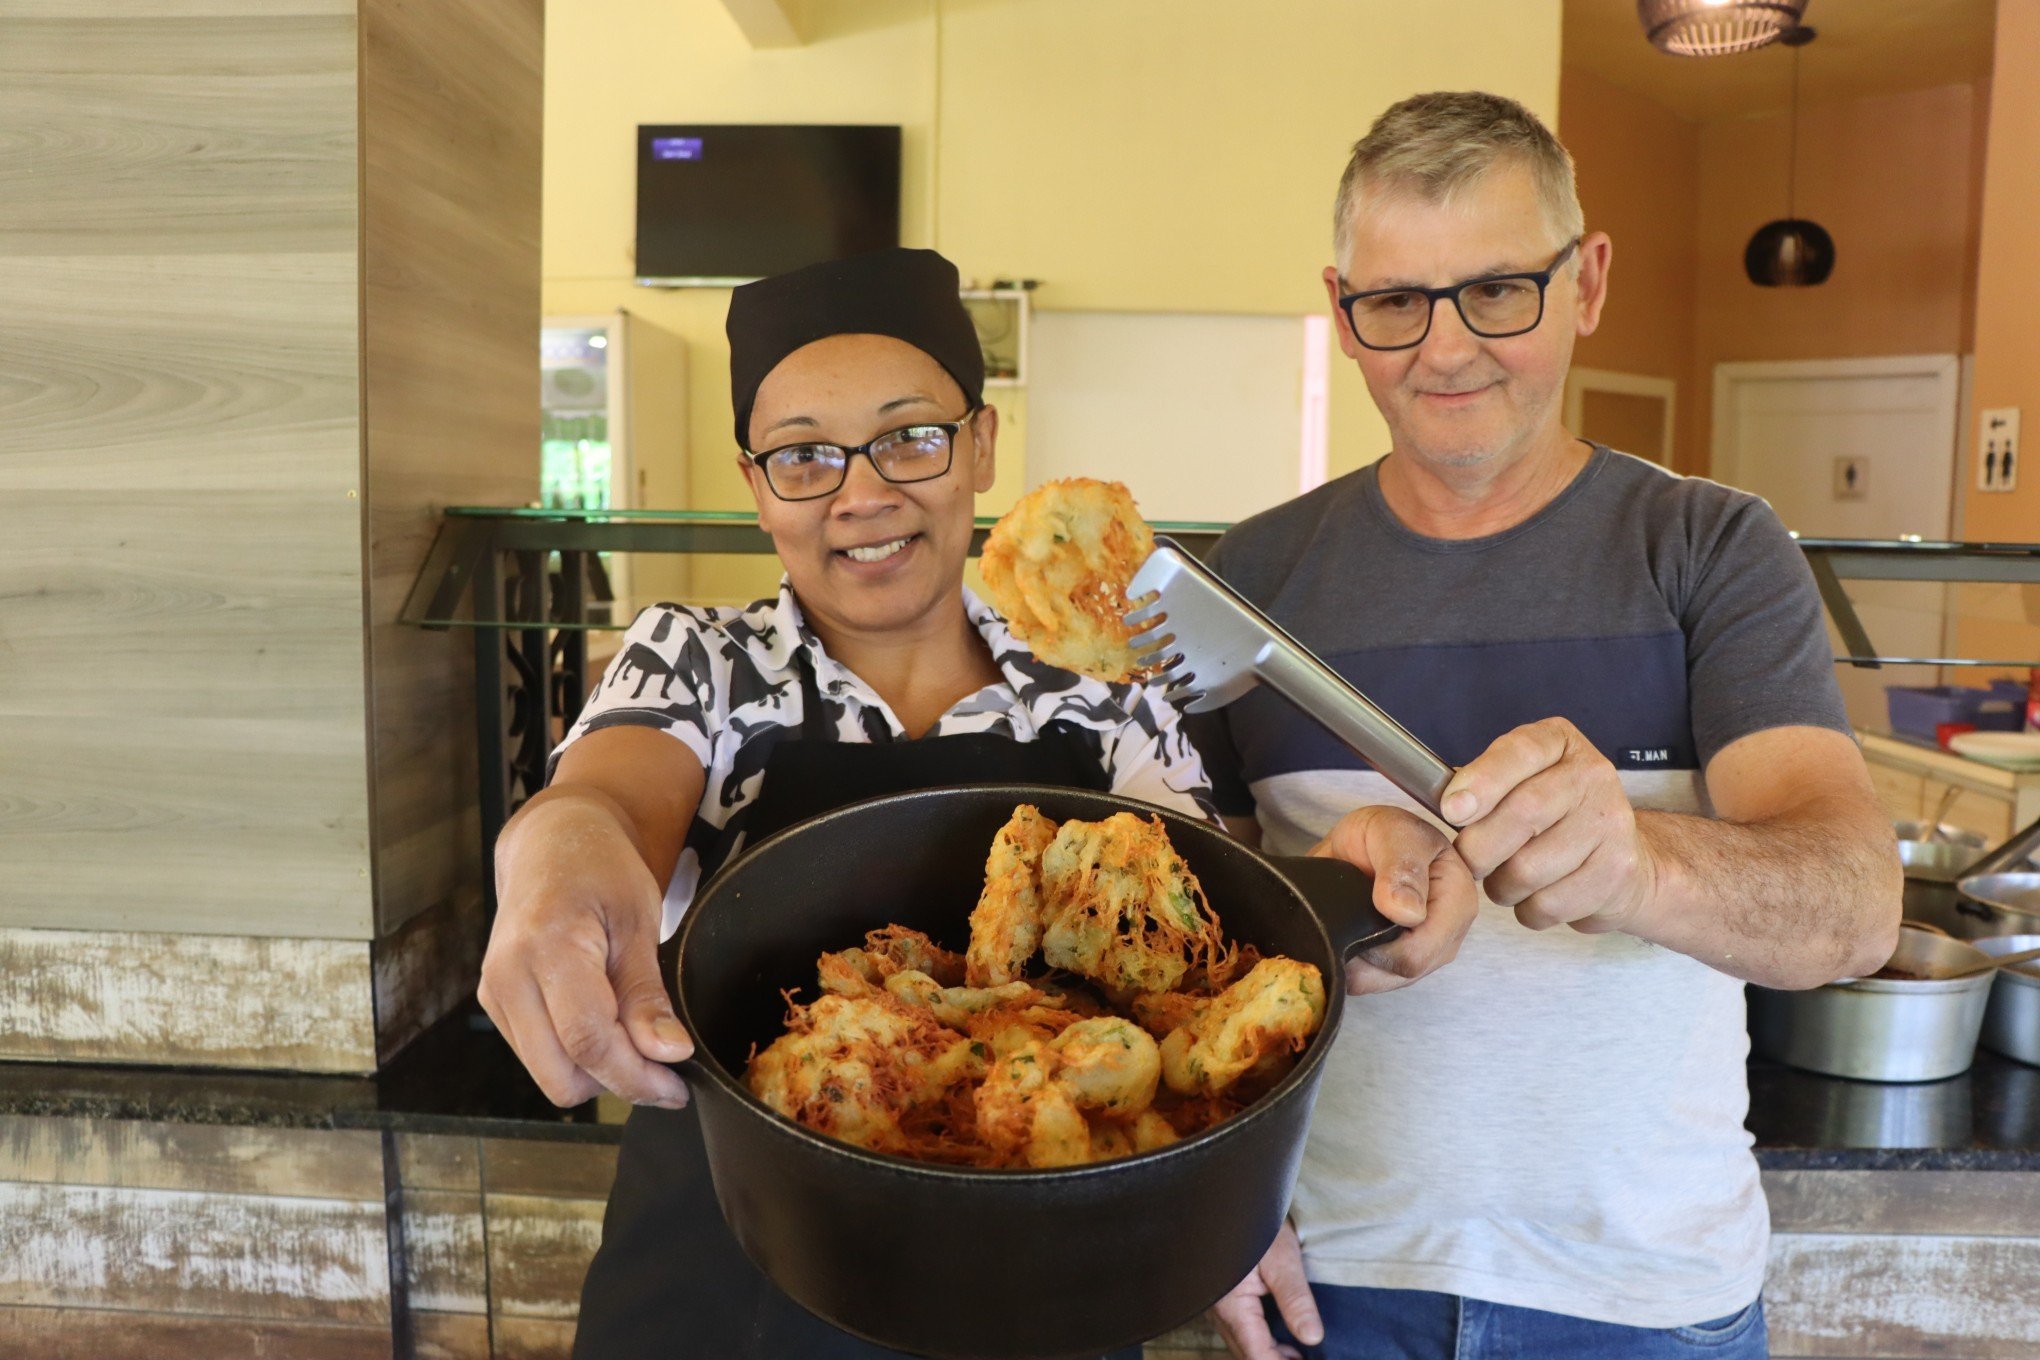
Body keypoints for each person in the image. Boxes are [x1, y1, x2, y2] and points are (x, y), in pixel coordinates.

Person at [475, 247, 1470, 1359]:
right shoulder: (697, 660)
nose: (862, 492)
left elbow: (1203, 949)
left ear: (982, 446)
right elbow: (602, 797)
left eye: (909, 437)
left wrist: (1223, 1195)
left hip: (1052, 1268)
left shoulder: (1108, 693)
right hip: (740, 1262)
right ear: (758, 487)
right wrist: (553, 871)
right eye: (805, 455)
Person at [1196, 93, 1902, 1360]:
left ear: (1587, 284)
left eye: (1499, 291)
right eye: (1396, 301)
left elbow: (1854, 907)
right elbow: (1190, 953)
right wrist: (1212, 1206)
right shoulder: (1251, 579)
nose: (1445, 348)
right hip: (1330, 1286)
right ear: (1342, 308)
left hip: (1645, 1301)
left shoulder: (1711, 550)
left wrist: (1639, 860)